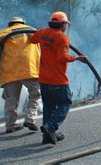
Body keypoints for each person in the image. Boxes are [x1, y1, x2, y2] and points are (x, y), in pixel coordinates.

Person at [30, 11, 87, 144]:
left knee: (49, 106)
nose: (65, 27)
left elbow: (32, 40)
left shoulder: (42, 32)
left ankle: (47, 136)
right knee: (65, 103)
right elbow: (61, 57)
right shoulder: (62, 38)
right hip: (57, 80)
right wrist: (77, 58)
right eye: (65, 24)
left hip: (43, 78)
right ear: (62, 24)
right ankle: (51, 126)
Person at [0, 17, 41, 133]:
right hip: (28, 69)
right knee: (35, 94)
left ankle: (10, 125)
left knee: (11, 99)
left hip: (10, 70)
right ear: (23, 23)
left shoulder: (4, 32)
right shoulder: (32, 30)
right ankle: (30, 119)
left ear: (10, 25)